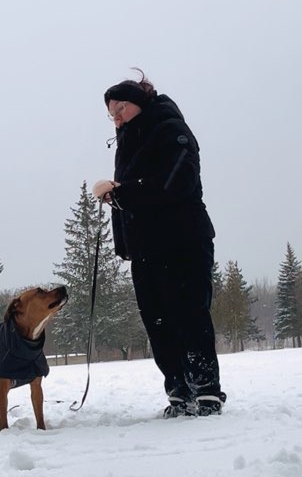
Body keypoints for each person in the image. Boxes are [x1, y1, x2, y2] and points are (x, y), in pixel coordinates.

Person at [93, 71, 226, 417]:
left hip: (183, 240)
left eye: (120, 109)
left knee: (189, 315)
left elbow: (175, 181)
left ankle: (206, 393)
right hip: (146, 249)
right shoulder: (128, 142)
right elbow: (135, 197)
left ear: (139, 103)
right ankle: (179, 393)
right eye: (111, 114)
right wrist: (120, 214)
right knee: (158, 323)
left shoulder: (170, 128)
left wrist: (122, 193)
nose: (116, 118)